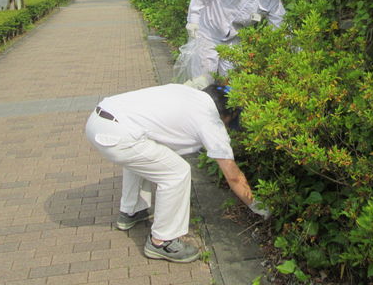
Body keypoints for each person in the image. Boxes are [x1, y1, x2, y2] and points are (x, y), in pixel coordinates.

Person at [85, 84, 270, 263]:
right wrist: (261, 208)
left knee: (142, 156)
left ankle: (131, 211)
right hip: (118, 135)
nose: (228, 127)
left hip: (98, 119)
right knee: (177, 173)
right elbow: (234, 176)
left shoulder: (188, 93)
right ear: (226, 114)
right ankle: (162, 242)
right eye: (230, 122)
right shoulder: (211, 121)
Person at [182, 0, 295, 87]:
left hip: (233, 40)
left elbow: (280, 26)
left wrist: (292, 52)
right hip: (208, 33)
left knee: (233, 83)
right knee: (203, 81)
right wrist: (193, 20)